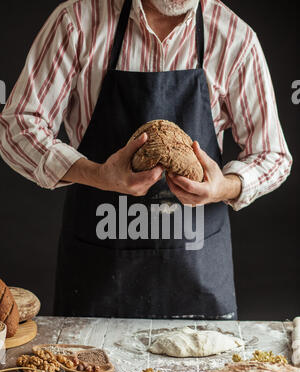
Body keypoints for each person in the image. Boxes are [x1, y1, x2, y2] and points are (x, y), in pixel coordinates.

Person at [0, 0, 292, 320]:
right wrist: (95, 173)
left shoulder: (234, 38)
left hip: (197, 274)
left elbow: (272, 154)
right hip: (99, 274)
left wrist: (224, 187)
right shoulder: (77, 22)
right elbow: (17, 127)